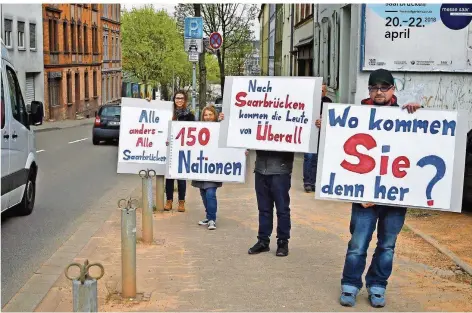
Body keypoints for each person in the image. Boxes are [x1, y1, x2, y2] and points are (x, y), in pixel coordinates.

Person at [316, 69, 421, 308]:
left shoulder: (406, 114)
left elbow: (419, 146)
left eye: (385, 87)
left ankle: (377, 285)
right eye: (374, 87)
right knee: (358, 243)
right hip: (363, 196)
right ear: (369, 90)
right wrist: (328, 127)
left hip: (394, 199)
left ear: (393, 90)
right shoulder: (356, 114)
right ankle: (350, 285)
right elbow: (340, 149)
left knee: (387, 245)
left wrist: (418, 114)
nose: (379, 92)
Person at [218, 112, 293, 257]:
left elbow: (304, 132)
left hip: (280, 169)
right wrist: (225, 120)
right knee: (263, 209)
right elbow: (241, 125)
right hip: (261, 169)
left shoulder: (288, 118)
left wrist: (316, 126)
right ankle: (263, 241)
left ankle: (283, 242)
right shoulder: (259, 113)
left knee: (282, 209)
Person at [148, 90, 195, 212]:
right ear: (174, 99)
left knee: (181, 177)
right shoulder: (167, 113)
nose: (179, 100)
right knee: (169, 177)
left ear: (185, 100)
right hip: (169, 148)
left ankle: (181, 202)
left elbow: (194, 131)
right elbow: (154, 112)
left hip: (182, 149)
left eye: (182, 98)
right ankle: (169, 201)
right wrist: (148, 102)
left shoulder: (189, 115)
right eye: (177, 98)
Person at [191, 105, 222, 230]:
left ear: (214, 115)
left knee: (210, 193)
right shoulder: (198, 129)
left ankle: (212, 220)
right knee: (203, 193)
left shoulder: (220, 128)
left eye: (210, 114)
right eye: (206, 115)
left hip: (213, 167)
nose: (208, 117)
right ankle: (209, 216)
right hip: (200, 165)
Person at [303, 84, 332, 192]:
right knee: (309, 157)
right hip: (310, 133)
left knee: (319, 158)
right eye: (319, 90)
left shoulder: (328, 102)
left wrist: (323, 121)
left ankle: (315, 182)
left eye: (323, 90)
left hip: (322, 134)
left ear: (326, 92)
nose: (321, 92)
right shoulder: (308, 101)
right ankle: (308, 182)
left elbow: (331, 117)